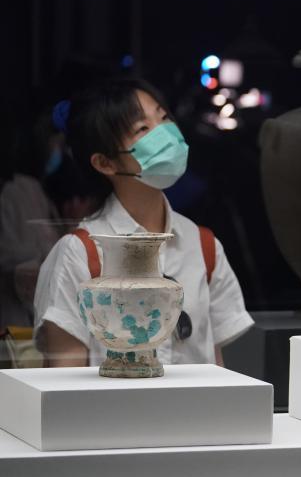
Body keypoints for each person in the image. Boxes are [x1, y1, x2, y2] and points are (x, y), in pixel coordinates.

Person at [33, 78, 253, 367]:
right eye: (142, 129)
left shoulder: (203, 245)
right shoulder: (79, 253)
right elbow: (64, 377)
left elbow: (214, 363)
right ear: (105, 163)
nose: (164, 133)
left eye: (163, 118)